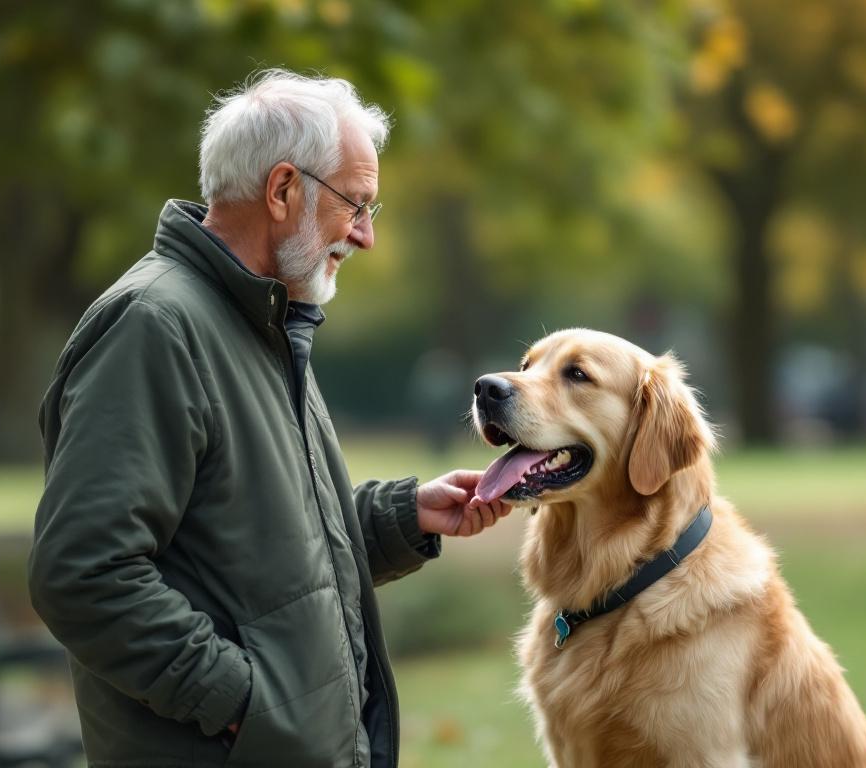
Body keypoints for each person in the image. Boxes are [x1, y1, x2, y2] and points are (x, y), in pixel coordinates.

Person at [27, 69, 512, 768]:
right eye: (356, 204)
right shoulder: (155, 327)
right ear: (283, 190)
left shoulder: (263, 321)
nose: (367, 235)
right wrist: (241, 706)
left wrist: (400, 518)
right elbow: (83, 574)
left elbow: (252, 551)